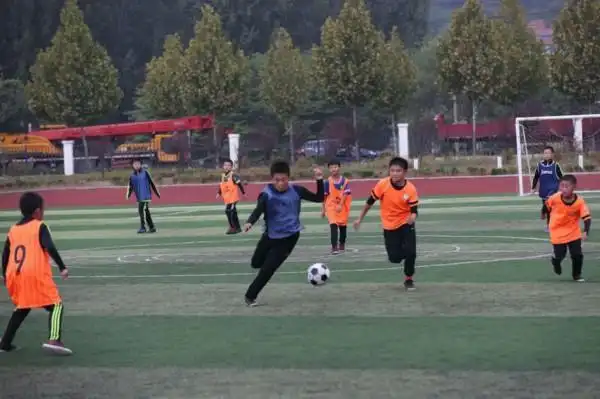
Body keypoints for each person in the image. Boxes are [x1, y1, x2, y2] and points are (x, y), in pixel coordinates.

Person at [243, 161, 324, 306]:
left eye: (284, 179)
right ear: (272, 179)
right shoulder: (266, 194)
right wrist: (250, 222)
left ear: (288, 178)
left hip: (289, 238)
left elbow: (319, 198)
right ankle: (265, 262)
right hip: (270, 235)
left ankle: (250, 296)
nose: (280, 183)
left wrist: (319, 179)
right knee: (256, 264)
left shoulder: (297, 191)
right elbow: (258, 209)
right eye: (277, 180)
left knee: (268, 269)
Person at [0, 192, 72, 355]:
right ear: (38, 211)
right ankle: (54, 339)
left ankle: (5, 343)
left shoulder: (13, 230)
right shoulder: (40, 226)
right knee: (56, 305)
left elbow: (5, 255)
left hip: (15, 275)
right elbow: (50, 247)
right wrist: (62, 267)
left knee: (22, 308)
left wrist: (5, 275)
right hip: (34, 273)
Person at [353, 157, 418, 291]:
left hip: (406, 224)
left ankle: (409, 279)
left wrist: (412, 217)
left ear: (404, 172)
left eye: (398, 171)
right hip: (389, 226)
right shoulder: (382, 185)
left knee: (411, 252)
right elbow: (369, 202)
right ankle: (407, 254)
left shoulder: (410, 189)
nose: (394, 173)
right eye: (392, 170)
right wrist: (359, 218)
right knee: (394, 258)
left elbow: (414, 210)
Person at [544, 174, 591, 282]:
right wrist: (544, 215)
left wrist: (586, 231)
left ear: (574, 187)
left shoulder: (580, 201)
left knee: (577, 255)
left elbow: (587, 217)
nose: (563, 189)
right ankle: (556, 262)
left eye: (566, 186)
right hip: (557, 231)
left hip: (573, 231)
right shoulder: (555, 198)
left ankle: (577, 275)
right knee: (560, 255)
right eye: (561, 186)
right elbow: (546, 205)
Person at [321, 159, 352, 254]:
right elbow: (324, 196)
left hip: (342, 207)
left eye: (335, 167)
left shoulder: (345, 181)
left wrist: (340, 205)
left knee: (343, 227)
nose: (333, 169)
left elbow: (346, 194)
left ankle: (342, 244)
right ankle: (334, 247)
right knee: (333, 224)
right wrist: (323, 209)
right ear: (329, 169)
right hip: (331, 206)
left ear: (339, 167)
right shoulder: (327, 182)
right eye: (331, 167)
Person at [531, 146, 563, 231]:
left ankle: (549, 225)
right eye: (545, 153)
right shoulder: (540, 165)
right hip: (543, 189)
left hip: (553, 189)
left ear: (552, 154)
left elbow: (561, 177)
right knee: (547, 207)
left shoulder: (556, 165)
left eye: (548, 153)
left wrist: (564, 187)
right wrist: (533, 187)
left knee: (549, 205)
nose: (546, 155)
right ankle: (544, 212)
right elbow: (536, 177)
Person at [126, 159, 160, 233]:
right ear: (132, 166)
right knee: (146, 212)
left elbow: (152, 183)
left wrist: (157, 193)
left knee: (142, 211)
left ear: (141, 165)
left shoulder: (145, 173)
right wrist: (128, 195)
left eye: (138, 164)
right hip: (139, 197)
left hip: (146, 196)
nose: (136, 165)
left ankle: (143, 227)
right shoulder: (132, 176)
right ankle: (152, 227)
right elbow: (130, 186)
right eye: (135, 164)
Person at [216, 159, 246, 234]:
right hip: (227, 198)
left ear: (231, 167)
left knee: (229, 211)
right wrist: (219, 193)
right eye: (225, 165)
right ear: (223, 166)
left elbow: (239, 184)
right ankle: (238, 228)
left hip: (233, 198)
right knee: (233, 212)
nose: (226, 167)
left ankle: (233, 227)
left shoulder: (233, 175)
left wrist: (243, 193)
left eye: (228, 165)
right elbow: (221, 185)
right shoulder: (223, 175)